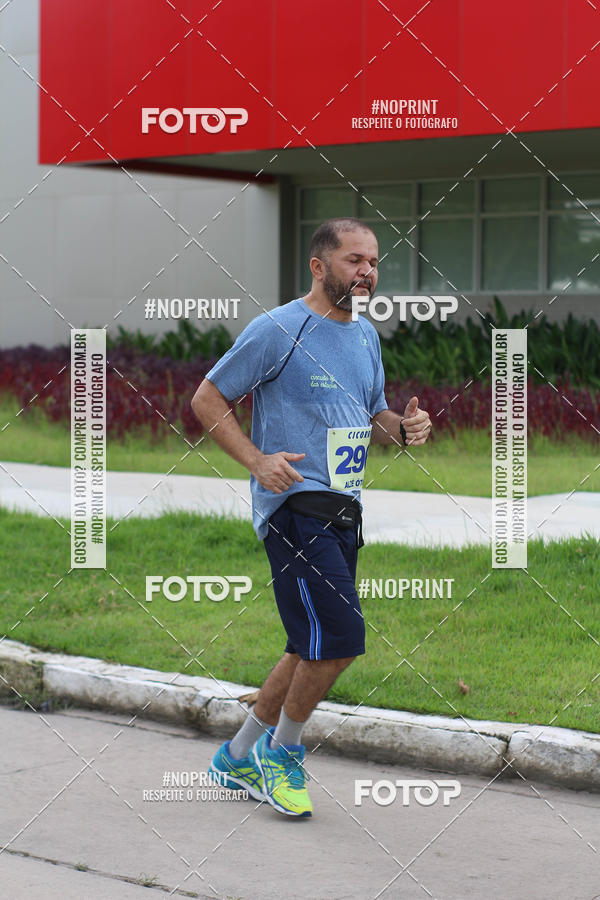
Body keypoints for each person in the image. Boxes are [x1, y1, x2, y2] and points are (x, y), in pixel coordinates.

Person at [191, 217, 432, 817]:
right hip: (295, 508)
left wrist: (405, 429)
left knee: (309, 643)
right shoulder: (278, 329)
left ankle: (236, 756)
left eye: (373, 261)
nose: (367, 272)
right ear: (319, 266)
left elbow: (374, 417)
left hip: (344, 507)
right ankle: (284, 754)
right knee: (341, 640)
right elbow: (207, 398)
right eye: (354, 260)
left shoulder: (365, 336)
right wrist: (256, 460)